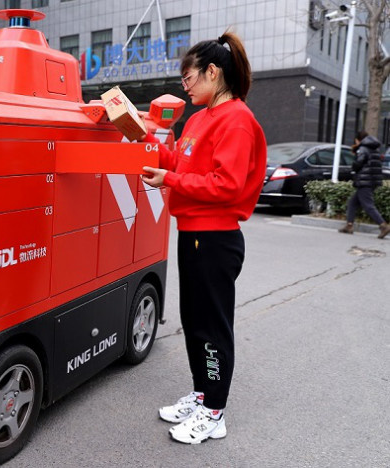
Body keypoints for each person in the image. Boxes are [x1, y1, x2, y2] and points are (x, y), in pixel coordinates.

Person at [140, 32, 266, 444]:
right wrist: (146, 141)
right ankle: (201, 395)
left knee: (212, 327)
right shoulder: (199, 118)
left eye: (189, 76)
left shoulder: (238, 120)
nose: (185, 85)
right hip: (192, 234)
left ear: (213, 72)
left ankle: (214, 411)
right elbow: (181, 162)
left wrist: (171, 177)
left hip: (215, 240)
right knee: (195, 323)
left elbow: (226, 185)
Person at [338, 131, 390, 238]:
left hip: (365, 180)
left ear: (358, 140)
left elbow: (359, 162)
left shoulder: (363, 148)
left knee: (368, 205)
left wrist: (354, 165)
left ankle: (383, 226)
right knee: (352, 202)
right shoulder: (374, 149)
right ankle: (349, 225)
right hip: (372, 180)